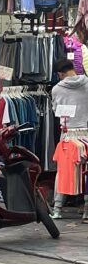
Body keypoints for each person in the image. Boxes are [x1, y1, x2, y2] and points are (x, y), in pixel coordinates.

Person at [50, 59, 88, 220]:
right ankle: (86, 210)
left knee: (64, 172)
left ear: (60, 74)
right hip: (86, 134)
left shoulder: (57, 89)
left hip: (68, 136)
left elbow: (55, 110)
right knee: (86, 174)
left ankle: (58, 208)